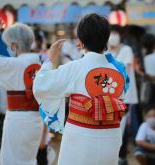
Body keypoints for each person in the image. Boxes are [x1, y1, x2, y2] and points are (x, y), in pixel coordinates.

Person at [33, 13, 129, 165]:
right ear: (106, 39)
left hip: (81, 136)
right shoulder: (118, 70)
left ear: (81, 41)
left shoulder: (74, 67)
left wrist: (50, 59)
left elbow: (41, 85)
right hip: (111, 136)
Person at [0, 19, 43, 165]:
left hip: (16, 119)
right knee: (29, 160)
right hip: (36, 119)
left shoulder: (13, 64)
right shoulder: (40, 64)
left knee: (11, 160)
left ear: (14, 45)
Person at [108, 25, 138, 165]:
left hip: (125, 96)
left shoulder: (126, 49)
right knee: (110, 126)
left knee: (122, 126)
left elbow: (125, 68)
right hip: (109, 96)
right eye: (111, 33)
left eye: (115, 33)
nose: (113, 35)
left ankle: (122, 156)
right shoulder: (105, 51)